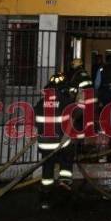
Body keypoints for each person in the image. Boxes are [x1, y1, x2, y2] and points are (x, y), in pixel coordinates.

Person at [34, 71, 76, 209]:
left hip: (45, 144)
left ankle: (45, 197)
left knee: (47, 168)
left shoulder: (41, 102)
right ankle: (64, 185)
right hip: (61, 143)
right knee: (69, 152)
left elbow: (35, 120)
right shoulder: (64, 100)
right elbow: (77, 113)